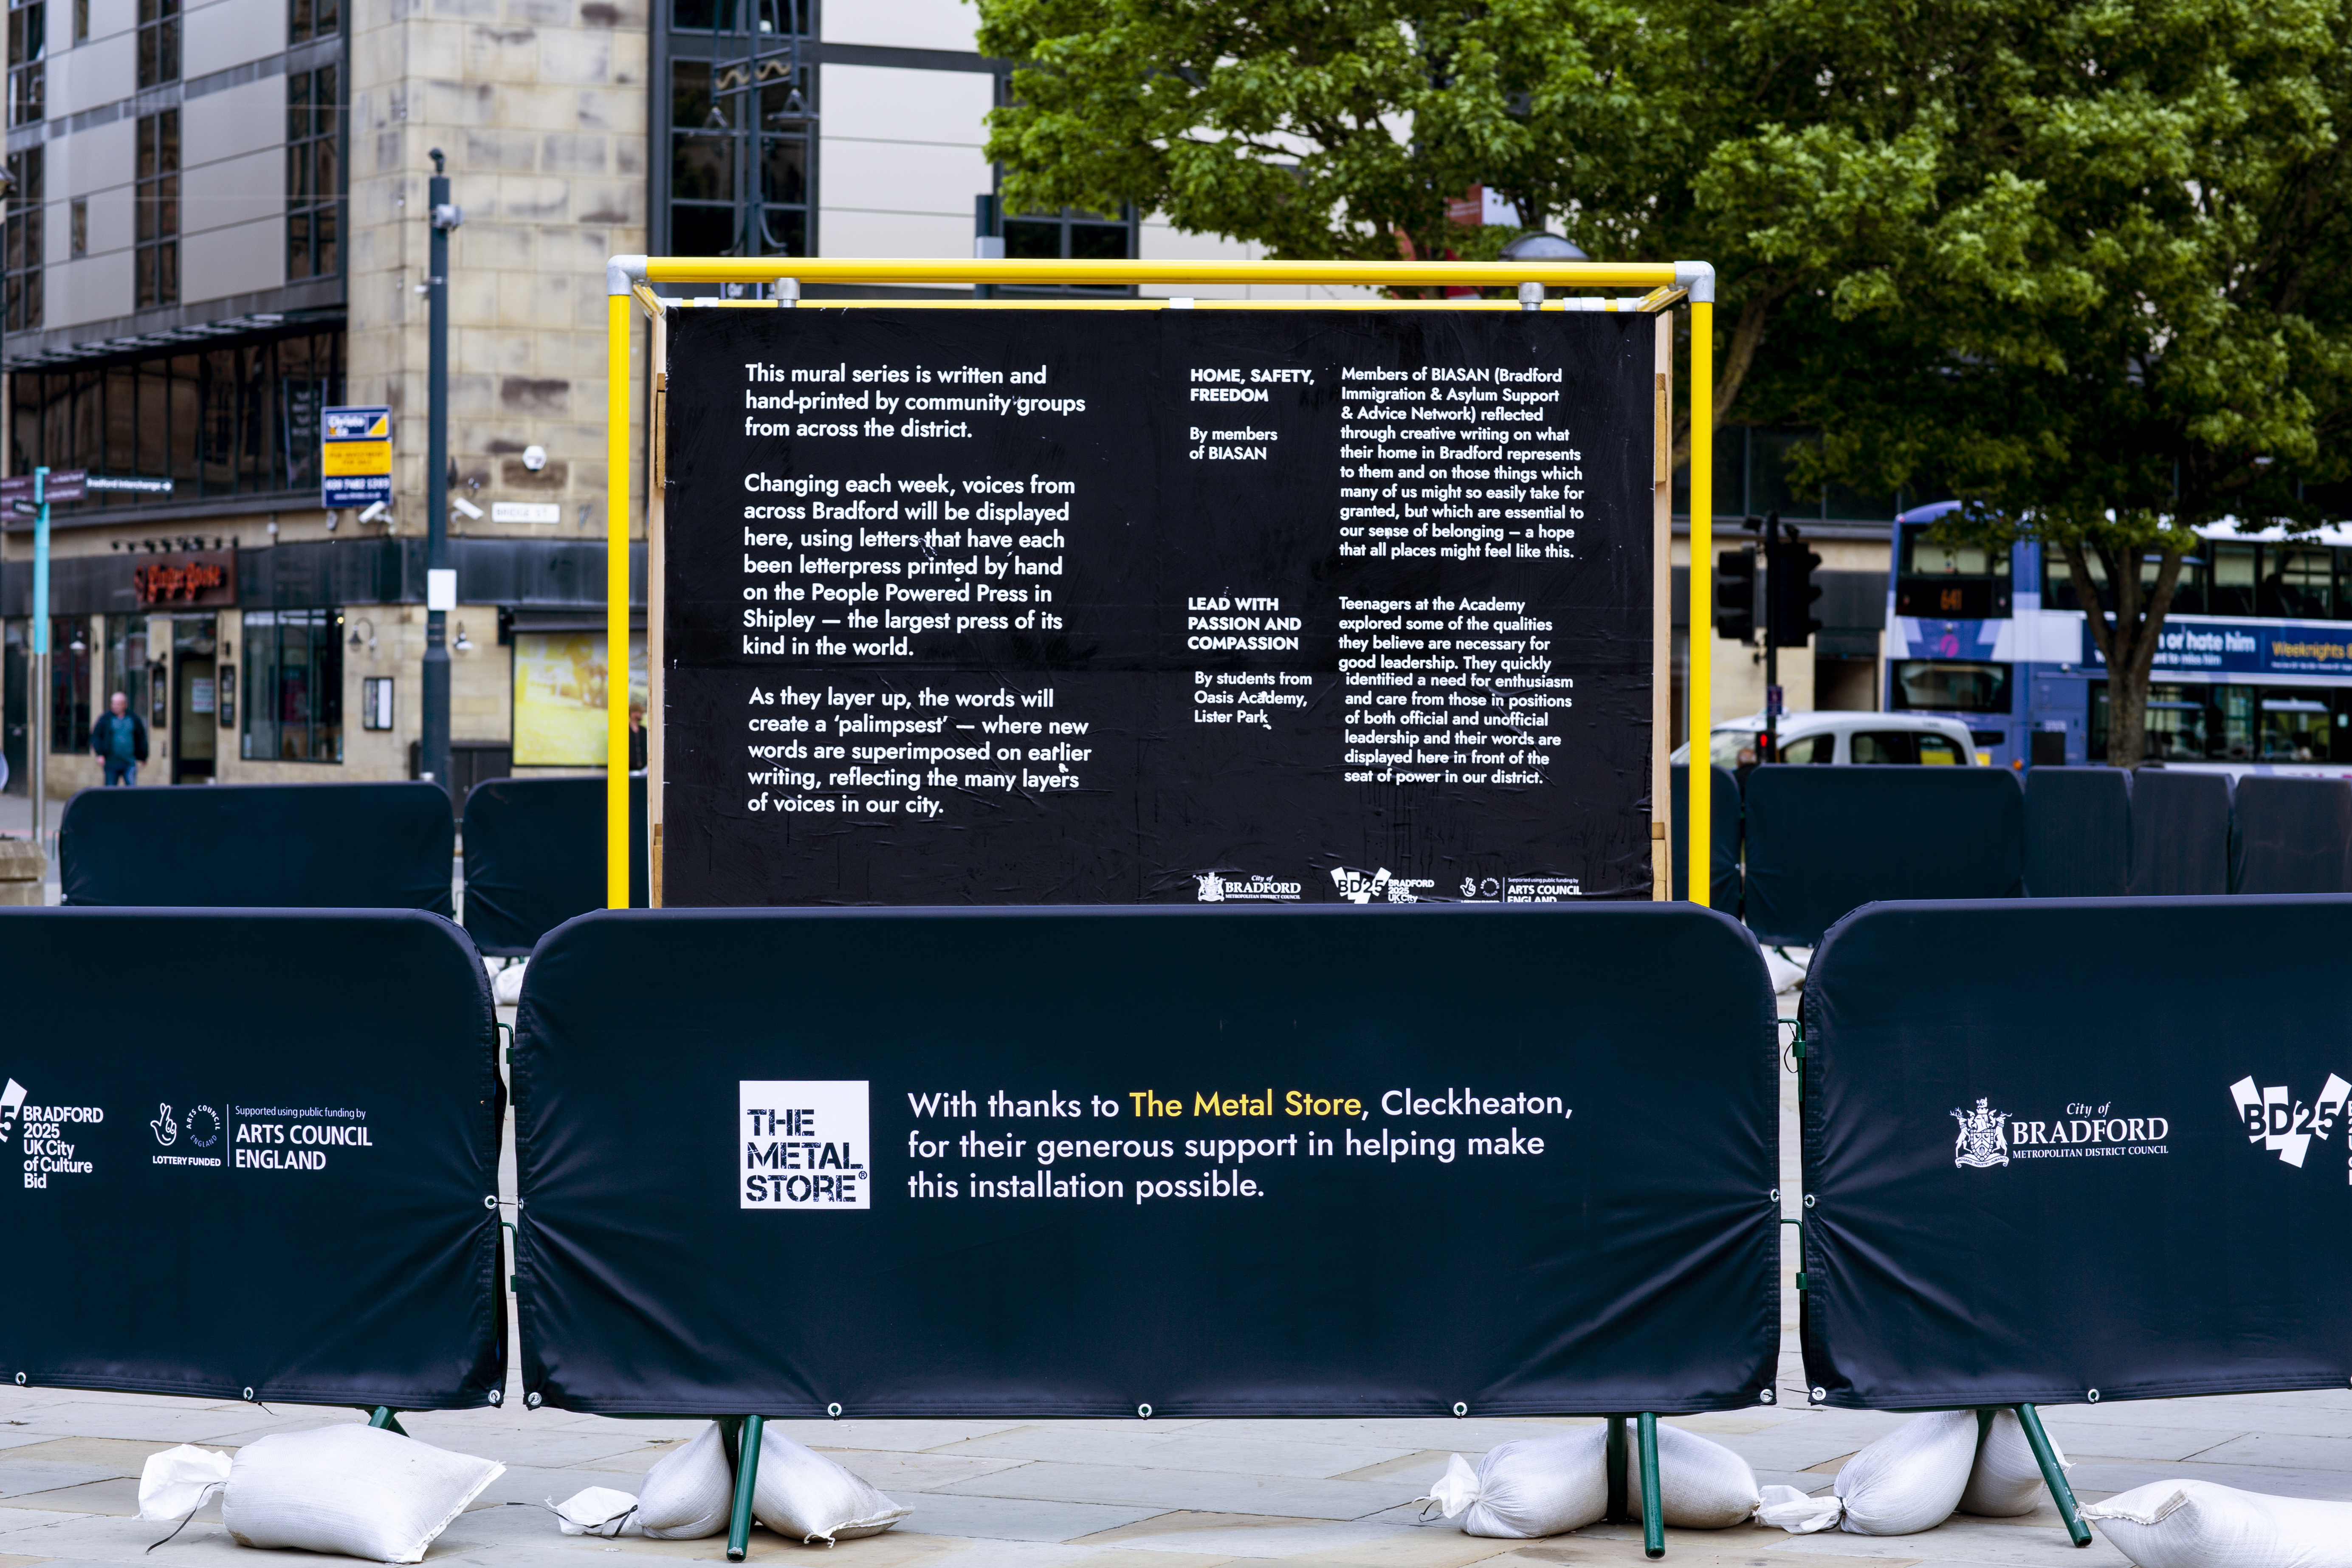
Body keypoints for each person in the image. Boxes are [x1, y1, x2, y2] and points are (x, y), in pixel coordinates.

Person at [89, 691, 149, 786]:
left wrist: (143, 756)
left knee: (132, 790)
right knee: (110, 790)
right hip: (111, 762)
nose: (115, 706)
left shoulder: (133, 719)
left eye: (118, 704)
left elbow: (141, 738)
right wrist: (99, 754)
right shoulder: (105, 719)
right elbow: (96, 736)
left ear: (125, 705)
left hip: (129, 762)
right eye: (114, 703)